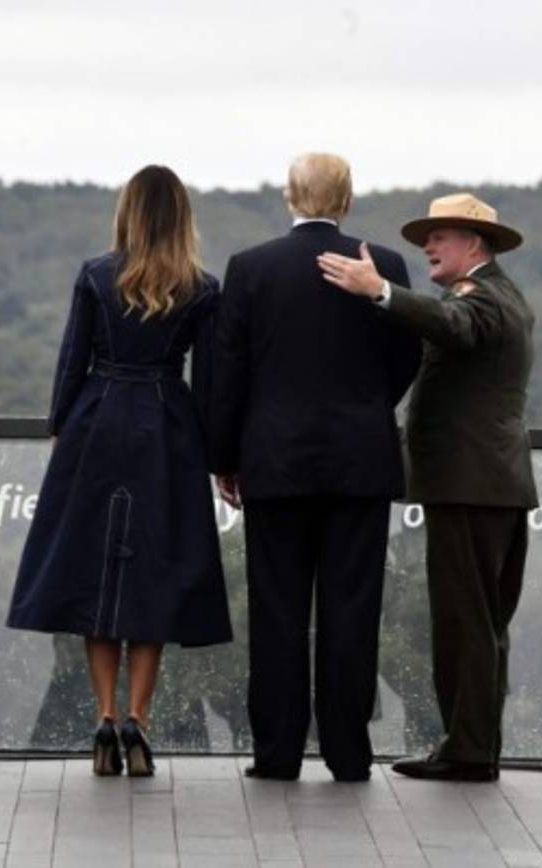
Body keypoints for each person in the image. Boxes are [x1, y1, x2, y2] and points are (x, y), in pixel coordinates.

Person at [7, 165, 232, 777]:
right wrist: (219, 458)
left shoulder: (95, 275)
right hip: (167, 428)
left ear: (128, 212)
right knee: (153, 576)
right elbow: (209, 383)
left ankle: (103, 717)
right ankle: (139, 717)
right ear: (182, 216)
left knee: (95, 573)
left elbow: (71, 362)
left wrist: (62, 428)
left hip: (97, 422)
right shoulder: (202, 288)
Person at [211, 153, 421, 781]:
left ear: (288, 197)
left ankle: (276, 753)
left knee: (276, 610)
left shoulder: (251, 269)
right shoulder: (383, 265)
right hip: (359, 461)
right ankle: (348, 752)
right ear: (348, 200)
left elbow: (228, 372)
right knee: (351, 609)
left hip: (274, 463)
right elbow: (406, 354)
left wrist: (225, 458)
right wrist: (365, 411)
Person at [318, 192, 537, 782]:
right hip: (487, 485)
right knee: (479, 625)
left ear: (475, 243)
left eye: (439, 237)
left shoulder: (485, 298)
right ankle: (470, 745)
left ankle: (467, 752)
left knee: (466, 623)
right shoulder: (493, 296)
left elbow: (456, 326)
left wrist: (379, 292)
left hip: (473, 486)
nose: (428, 247)